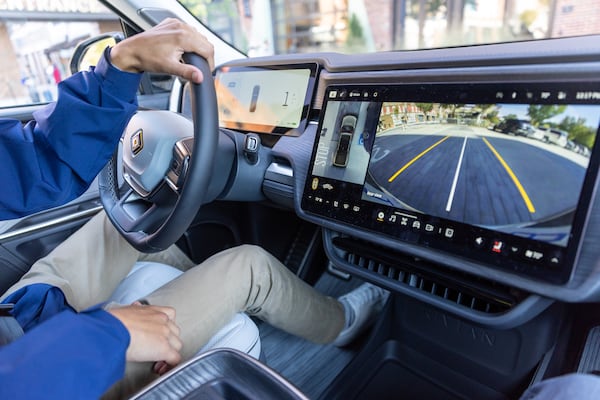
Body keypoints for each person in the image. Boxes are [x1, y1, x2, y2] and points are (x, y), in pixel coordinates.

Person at [0, 18, 389, 399]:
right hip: (59, 370)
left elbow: (28, 165)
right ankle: (344, 324)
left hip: (22, 320)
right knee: (249, 267)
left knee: (126, 219)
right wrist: (109, 333)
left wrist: (120, 66)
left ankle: (210, 302)